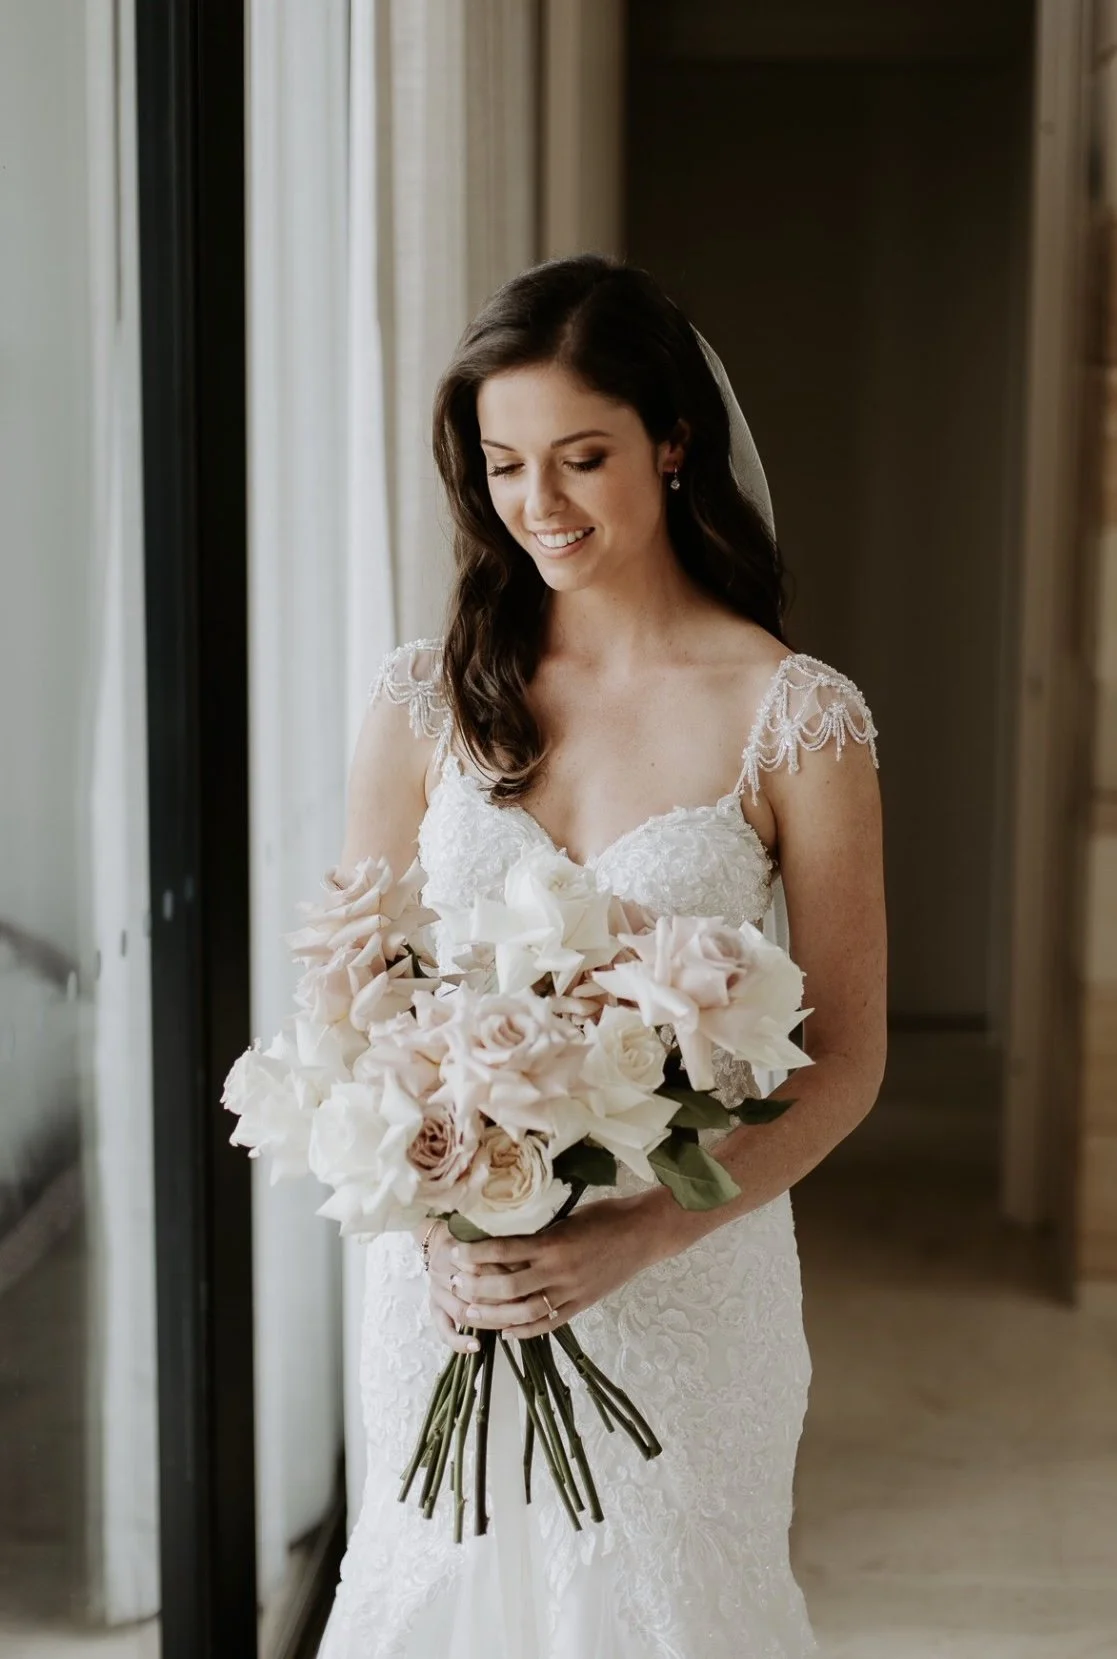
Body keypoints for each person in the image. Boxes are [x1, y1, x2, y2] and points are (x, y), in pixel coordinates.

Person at [317, 254, 887, 1659]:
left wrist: (640, 1232)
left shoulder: (796, 718)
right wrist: (442, 1216)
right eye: (506, 464)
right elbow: (351, 993)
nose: (541, 505)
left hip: (688, 1278)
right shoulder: (424, 698)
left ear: (673, 442)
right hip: (453, 1289)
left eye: (582, 458)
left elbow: (847, 1058)